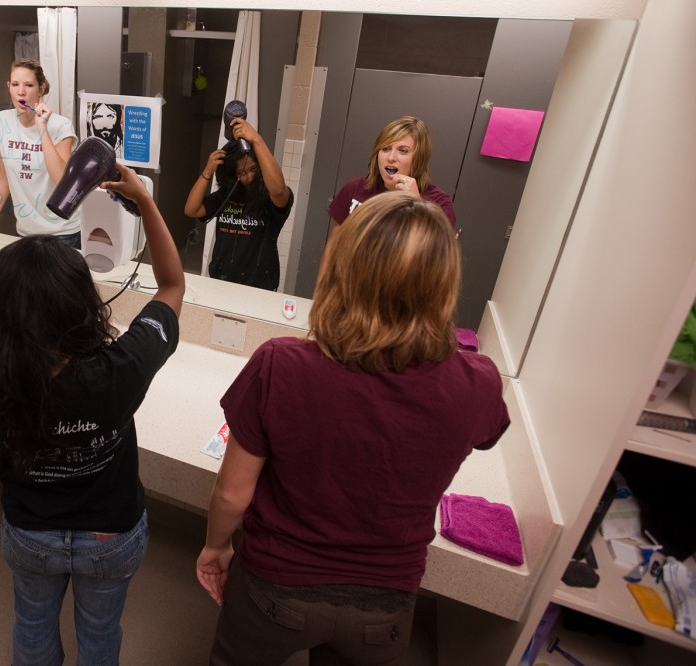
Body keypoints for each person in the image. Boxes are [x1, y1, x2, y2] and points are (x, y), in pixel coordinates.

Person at [196, 193, 509, 665]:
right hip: (385, 600)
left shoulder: (279, 365)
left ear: (346, 269)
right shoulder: (478, 382)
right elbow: (479, 434)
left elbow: (232, 495)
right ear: (443, 285)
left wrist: (216, 546)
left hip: (276, 584)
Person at [0, 164, 183, 666]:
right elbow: (171, 286)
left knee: (32, 626)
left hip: (29, 531)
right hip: (110, 534)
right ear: (82, 305)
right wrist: (144, 202)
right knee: (101, 632)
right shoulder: (121, 369)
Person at [0, 58, 80, 247]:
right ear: (9, 87)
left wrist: (42, 128)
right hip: (26, 232)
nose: (21, 91)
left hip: (63, 233)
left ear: (41, 88)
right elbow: (3, 178)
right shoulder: (2, 121)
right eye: (15, 84)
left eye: (29, 85)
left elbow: (62, 181)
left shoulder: (60, 126)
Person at [184, 117, 293, 291]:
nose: (249, 177)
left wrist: (256, 139)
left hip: (260, 286)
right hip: (221, 282)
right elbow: (191, 209)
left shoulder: (270, 199)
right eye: (241, 173)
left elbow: (279, 191)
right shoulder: (226, 196)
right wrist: (207, 171)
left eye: (253, 169)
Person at [329, 114, 456, 230]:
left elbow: (436, 251)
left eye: (403, 151)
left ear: (419, 158)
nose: (391, 157)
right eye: (385, 148)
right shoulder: (354, 189)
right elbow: (334, 246)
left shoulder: (440, 203)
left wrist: (417, 203)